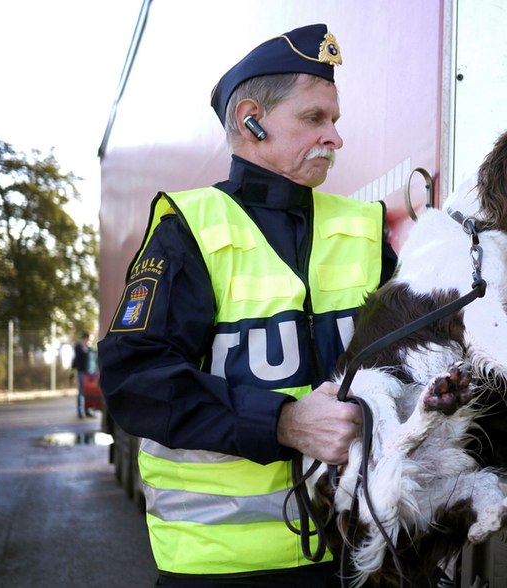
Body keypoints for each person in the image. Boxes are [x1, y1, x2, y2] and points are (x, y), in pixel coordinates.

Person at [98, 24, 398, 587]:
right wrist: (284, 422)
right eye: (314, 119)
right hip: (224, 567)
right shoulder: (189, 229)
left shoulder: (363, 228)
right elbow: (134, 377)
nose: (335, 138)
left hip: (360, 551)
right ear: (251, 120)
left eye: (334, 120)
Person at [71, 332, 97, 418]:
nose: (90, 341)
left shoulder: (89, 349)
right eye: (89, 339)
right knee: (81, 392)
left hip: (90, 373)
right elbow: (76, 359)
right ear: (85, 338)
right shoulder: (79, 347)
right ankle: (80, 411)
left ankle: (87, 410)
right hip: (82, 372)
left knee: (88, 392)